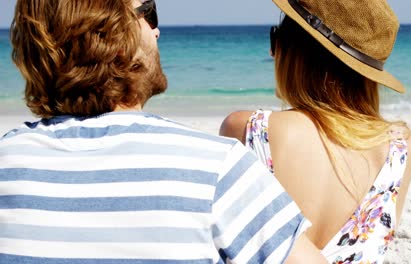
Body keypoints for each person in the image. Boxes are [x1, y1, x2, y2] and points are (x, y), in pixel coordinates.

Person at [0, 0, 327, 263]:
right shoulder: (214, 168)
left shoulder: (6, 163)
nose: (156, 31)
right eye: (148, 13)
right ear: (112, 36)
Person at [220, 0, 411, 263]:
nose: (273, 52)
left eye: (276, 38)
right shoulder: (402, 149)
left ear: (297, 53)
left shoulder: (247, 129)